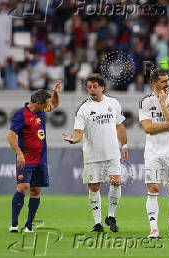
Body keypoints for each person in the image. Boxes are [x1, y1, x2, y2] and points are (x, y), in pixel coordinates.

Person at [63, 74, 128, 233]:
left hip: (112, 152)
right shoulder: (83, 109)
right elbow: (79, 132)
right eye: (89, 87)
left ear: (102, 87)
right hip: (92, 154)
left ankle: (111, 216)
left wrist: (124, 145)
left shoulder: (113, 103)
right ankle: (98, 223)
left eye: (95, 86)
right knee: (94, 186)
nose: (92, 89)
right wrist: (73, 140)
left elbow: (120, 126)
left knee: (116, 182)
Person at [8, 81, 62, 232]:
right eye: (45, 104)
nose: (47, 107)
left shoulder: (41, 110)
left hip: (41, 159)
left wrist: (56, 92)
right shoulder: (21, 115)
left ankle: (29, 225)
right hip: (26, 158)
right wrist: (19, 153)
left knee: (36, 191)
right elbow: (11, 135)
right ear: (38, 103)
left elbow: (55, 104)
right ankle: (14, 224)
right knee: (23, 187)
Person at [139, 68, 169, 238]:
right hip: (153, 152)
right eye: (163, 81)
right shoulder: (145, 102)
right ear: (153, 84)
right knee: (153, 188)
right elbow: (148, 128)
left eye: (168, 80)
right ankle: (154, 229)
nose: (167, 84)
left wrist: (163, 104)